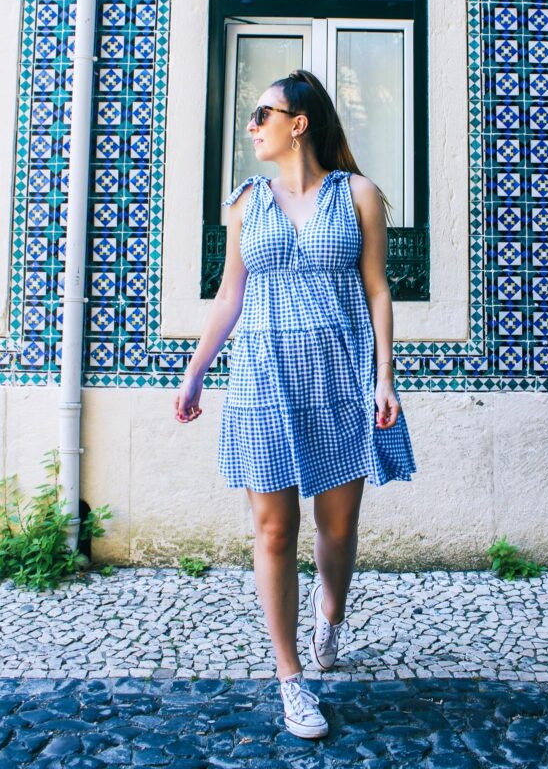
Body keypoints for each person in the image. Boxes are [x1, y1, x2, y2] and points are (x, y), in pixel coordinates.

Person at [174, 69, 416, 739]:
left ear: (298, 122)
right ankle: (289, 680)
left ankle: (330, 612)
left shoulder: (359, 195)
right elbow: (229, 295)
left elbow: (377, 291)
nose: (252, 126)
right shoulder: (245, 201)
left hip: (339, 376)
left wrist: (384, 376)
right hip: (262, 376)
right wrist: (195, 374)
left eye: (262, 113)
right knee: (274, 531)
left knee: (335, 529)